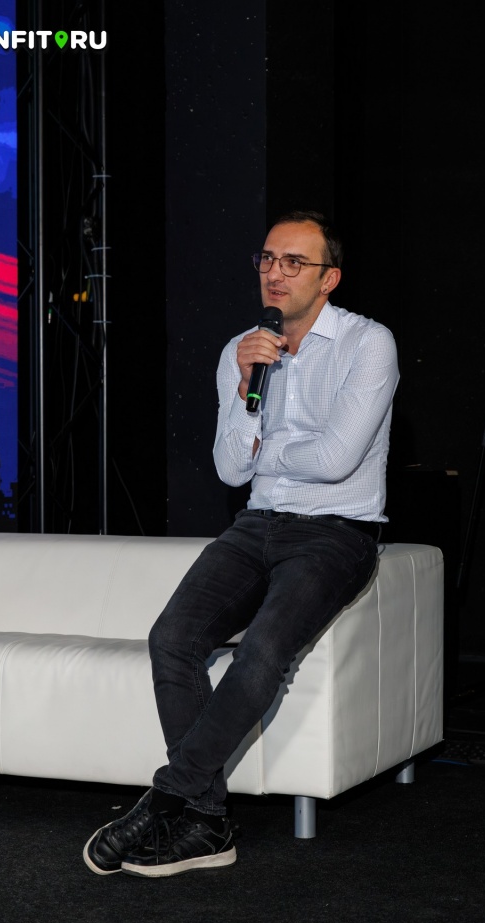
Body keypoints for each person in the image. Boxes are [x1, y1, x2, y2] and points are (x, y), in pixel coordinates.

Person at [83, 210, 400, 878]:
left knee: (261, 652)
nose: (275, 273)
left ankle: (166, 798)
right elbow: (231, 468)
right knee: (172, 637)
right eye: (267, 259)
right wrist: (246, 391)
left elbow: (338, 461)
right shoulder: (243, 349)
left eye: (294, 262)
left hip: (336, 533)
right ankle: (205, 821)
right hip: (257, 524)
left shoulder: (368, 344)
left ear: (329, 278)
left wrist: (269, 452)